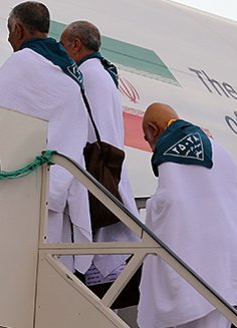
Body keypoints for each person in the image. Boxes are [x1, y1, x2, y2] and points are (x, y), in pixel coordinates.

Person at [0, 1, 92, 273]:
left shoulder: (24, 61)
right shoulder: (69, 71)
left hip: (23, 189)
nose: (8, 38)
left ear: (18, 29)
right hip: (59, 184)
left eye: (9, 30)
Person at [137, 103, 237, 328]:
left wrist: (150, 208)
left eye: (147, 139)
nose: (151, 147)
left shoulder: (171, 151)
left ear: (153, 129)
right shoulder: (220, 150)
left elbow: (171, 202)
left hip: (207, 268)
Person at [61, 20, 141, 304]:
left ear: (76, 45)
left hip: (96, 170)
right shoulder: (104, 75)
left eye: (63, 44)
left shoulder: (85, 76)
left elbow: (83, 129)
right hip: (111, 169)